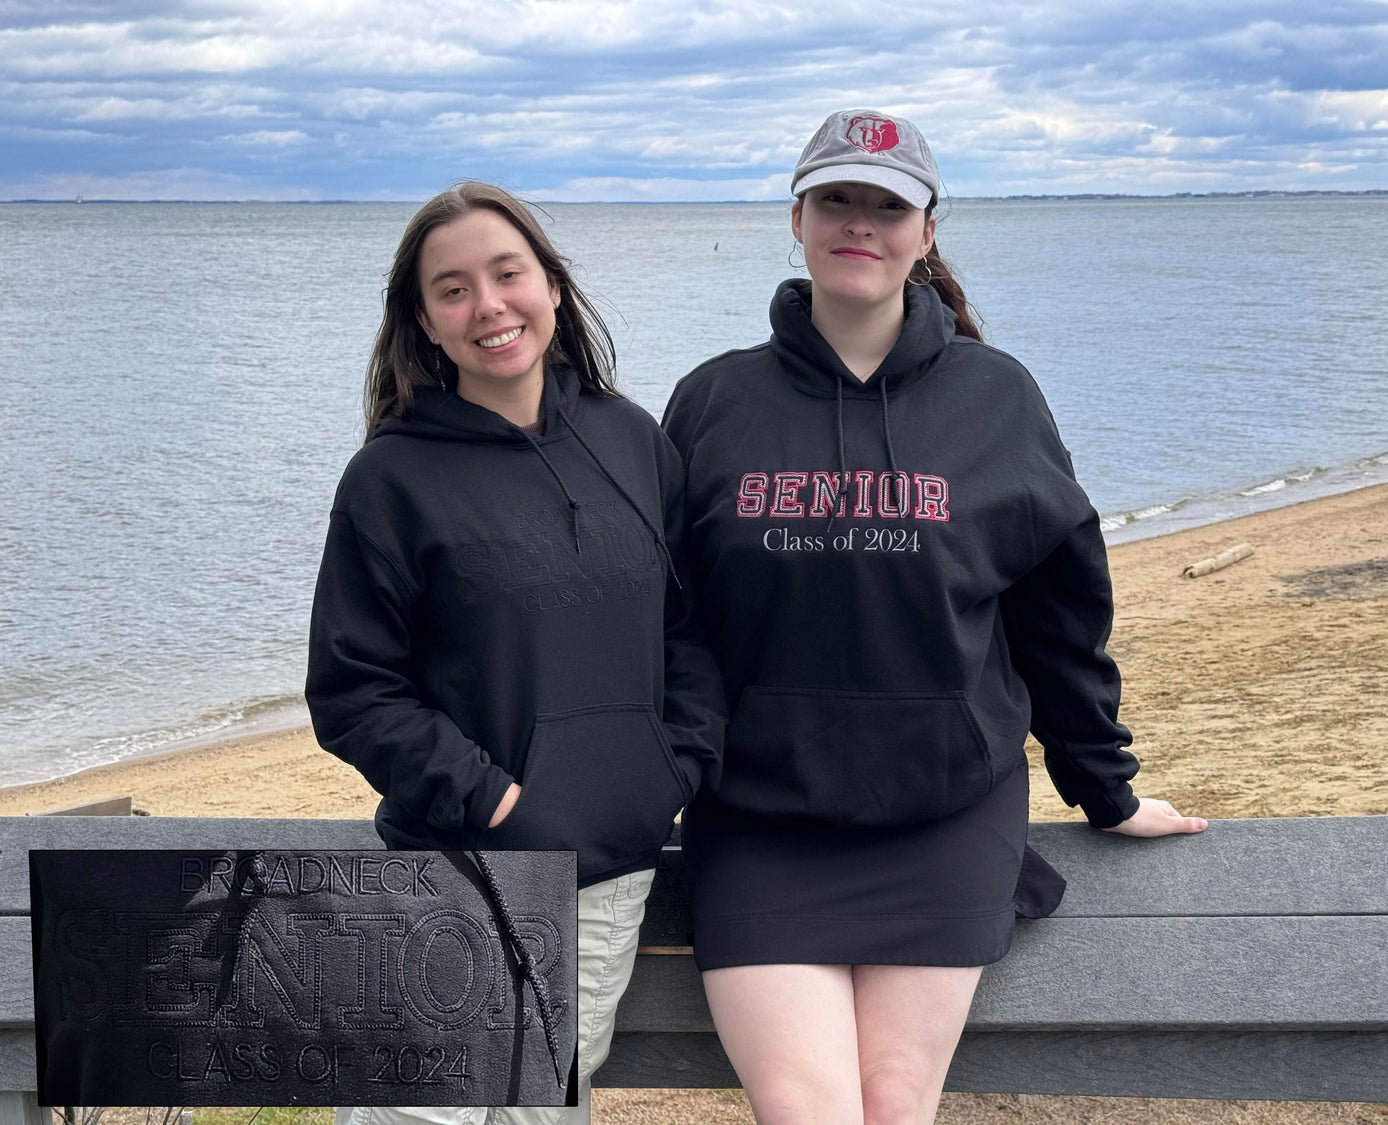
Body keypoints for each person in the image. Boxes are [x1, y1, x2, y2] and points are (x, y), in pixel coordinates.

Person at [662, 110, 1207, 1124]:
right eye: (837, 200)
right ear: (797, 217)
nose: (858, 225)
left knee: (894, 1108)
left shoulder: (997, 398)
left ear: (924, 230)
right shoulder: (714, 402)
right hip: (760, 817)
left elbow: (1059, 616)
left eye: (886, 206)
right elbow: (668, 621)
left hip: (945, 811)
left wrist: (1106, 787)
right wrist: (655, 779)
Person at [306, 180, 722, 1124]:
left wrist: (671, 770)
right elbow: (351, 689)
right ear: (425, 320)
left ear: (553, 286)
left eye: (508, 274)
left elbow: (690, 629)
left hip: (606, 876)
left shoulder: (631, 441)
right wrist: (490, 793)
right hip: (448, 876)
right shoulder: (389, 477)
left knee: (542, 1112)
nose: (488, 305)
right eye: (453, 289)